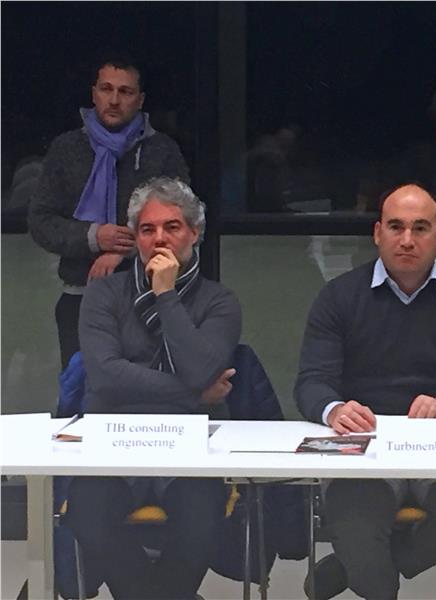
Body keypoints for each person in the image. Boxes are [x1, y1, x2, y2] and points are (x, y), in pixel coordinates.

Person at [295, 183, 436, 599]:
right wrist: (334, 409)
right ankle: (364, 567)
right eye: (396, 227)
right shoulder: (338, 296)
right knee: (355, 527)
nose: (407, 239)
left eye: (420, 228)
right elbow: (311, 382)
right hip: (365, 443)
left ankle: (370, 563)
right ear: (378, 233)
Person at [64, 177, 241, 599]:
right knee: (88, 514)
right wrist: (192, 394)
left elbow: (201, 368)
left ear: (194, 233)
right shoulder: (104, 294)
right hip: (112, 438)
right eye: (147, 229)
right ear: (136, 238)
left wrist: (166, 294)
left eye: (172, 227)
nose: (159, 238)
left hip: (191, 443)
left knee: (202, 522)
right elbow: (106, 376)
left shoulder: (219, 301)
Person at [28, 54, 189, 370]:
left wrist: (125, 248)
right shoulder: (66, 148)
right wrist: (94, 236)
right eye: (106, 89)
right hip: (80, 296)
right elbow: (40, 221)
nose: (114, 100)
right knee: (81, 388)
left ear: (140, 100)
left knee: (147, 391)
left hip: (148, 296)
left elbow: (184, 223)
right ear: (94, 94)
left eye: (125, 92)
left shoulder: (162, 150)